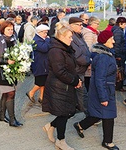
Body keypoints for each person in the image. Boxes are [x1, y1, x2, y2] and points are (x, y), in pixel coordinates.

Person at [73, 30, 119, 150]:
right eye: (111, 39)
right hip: (104, 90)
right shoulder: (104, 57)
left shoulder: (105, 54)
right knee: (108, 116)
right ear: (106, 41)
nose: (113, 41)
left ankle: (80, 125)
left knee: (98, 114)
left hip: (105, 89)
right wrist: (103, 97)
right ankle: (108, 142)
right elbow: (99, 78)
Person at [42, 21, 81, 150]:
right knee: (65, 113)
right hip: (58, 87)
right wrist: (75, 81)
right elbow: (60, 71)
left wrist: (76, 79)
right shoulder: (56, 51)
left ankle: (51, 126)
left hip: (65, 85)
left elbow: (70, 67)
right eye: (70, 37)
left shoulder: (65, 48)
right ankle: (61, 141)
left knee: (68, 112)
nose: (71, 39)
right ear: (61, 37)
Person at [0, 20, 23, 127]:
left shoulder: (14, 40)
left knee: (6, 94)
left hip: (13, 71)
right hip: (2, 72)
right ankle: (12, 119)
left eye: (12, 29)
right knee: (11, 93)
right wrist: (7, 62)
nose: (10, 31)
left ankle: (1, 115)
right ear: (3, 30)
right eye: (8, 29)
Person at [69, 17, 91, 113]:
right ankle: (88, 116)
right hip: (77, 70)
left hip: (81, 69)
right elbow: (77, 56)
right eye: (79, 25)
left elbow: (85, 49)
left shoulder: (79, 35)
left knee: (79, 93)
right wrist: (89, 61)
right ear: (72, 26)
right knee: (82, 94)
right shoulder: (72, 38)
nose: (81, 27)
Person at [26, 24, 50, 103]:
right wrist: (47, 40)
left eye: (46, 33)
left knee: (44, 82)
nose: (46, 35)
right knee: (40, 82)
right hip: (39, 64)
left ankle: (41, 97)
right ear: (39, 32)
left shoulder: (42, 39)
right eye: (44, 33)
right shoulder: (36, 40)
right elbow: (44, 48)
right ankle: (31, 92)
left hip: (43, 63)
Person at [81, 16, 100, 91]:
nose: (98, 25)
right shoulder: (89, 33)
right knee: (88, 80)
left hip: (92, 58)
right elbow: (88, 48)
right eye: (97, 24)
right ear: (92, 24)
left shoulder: (93, 32)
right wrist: (89, 61)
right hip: (90, 59)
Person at [111, 17, 126, 92]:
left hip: (120, 53)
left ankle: (119, 85)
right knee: (119, 70)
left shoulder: (119, 30)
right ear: (120, 23)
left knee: (120, 70)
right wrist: (118, 55)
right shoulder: (118, 31)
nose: (125, 25)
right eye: (124, 24)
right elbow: (117, 44)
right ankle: (118, 86)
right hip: (119, 54)